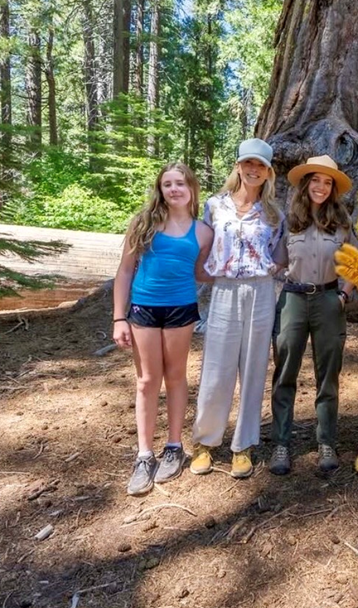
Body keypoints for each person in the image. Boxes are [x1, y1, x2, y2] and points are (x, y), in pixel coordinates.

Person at [113, 162, 213, 496]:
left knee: (175, 377)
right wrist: (119, 317)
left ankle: (174, 447)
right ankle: (144, 455)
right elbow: (125, 271)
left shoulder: (203, 232)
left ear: (192, 189)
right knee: (146, 381)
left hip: (181, 311)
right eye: (167, 184)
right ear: (160, 189)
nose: (173, 189)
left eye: (180, 183)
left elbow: (202, 273)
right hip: (143, 309)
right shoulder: (143, 223)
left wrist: (242, 272)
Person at [190, 138, 284, 478]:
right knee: (216, 367)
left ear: (268, 172)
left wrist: (278, 270)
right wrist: (202, 274)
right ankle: (205, 442)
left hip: (261, 291)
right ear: (238, 166)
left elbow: (281, 255)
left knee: (254, 367)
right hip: (225, 290)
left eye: (260, 165)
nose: (253, 170)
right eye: (248, 163)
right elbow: (203, 247)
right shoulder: (215, 206)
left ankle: (243, 445)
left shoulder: (274, 213)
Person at [268, 155, 357, 474]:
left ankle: (326, 441)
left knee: (328, 373)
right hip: (292, 299)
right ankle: (280, 443)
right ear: (306, 184)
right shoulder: (289, 220)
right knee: (285, 371)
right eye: (316, 180)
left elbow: (355, 263)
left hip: (328, 301)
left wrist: (344, 294)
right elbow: (275, 261)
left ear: (333, 188)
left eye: (327, 182)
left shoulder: (343, 222)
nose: (321, 186)